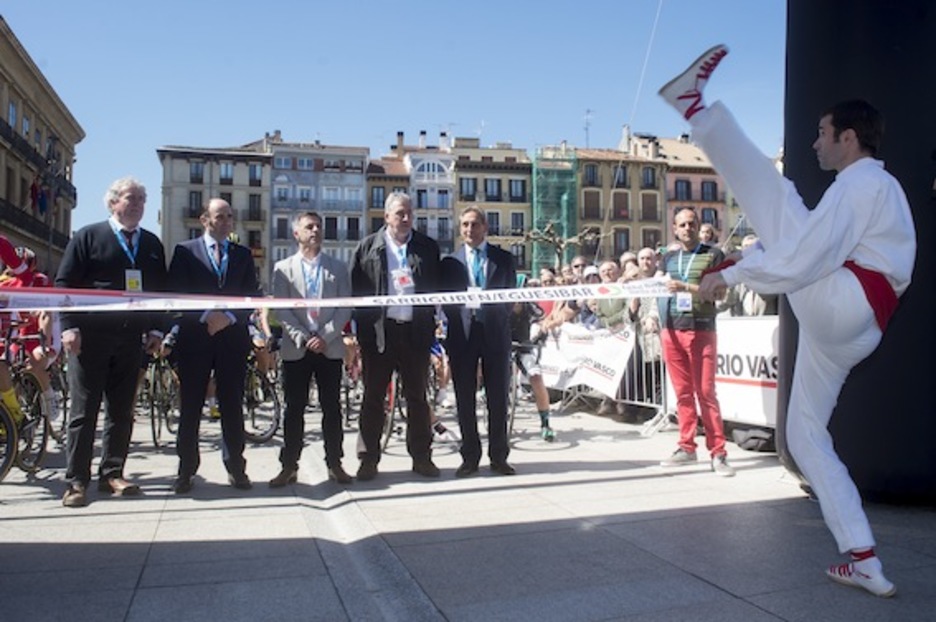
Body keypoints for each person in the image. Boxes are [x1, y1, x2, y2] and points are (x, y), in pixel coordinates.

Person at [661, 44, 915, 597]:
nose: (815, 141)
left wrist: (729, 275)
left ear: (850, 138)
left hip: (845, 301)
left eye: (823, 132)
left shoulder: (863, 182)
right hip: (853, 325)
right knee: (803, 433)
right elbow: (804, 254)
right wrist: (738, 266)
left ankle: (695, 108)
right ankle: (864, 556)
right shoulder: (874, 187)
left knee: (776, 200)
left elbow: (807, 258)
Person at [55, 177, 168, 507]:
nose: (137, 205)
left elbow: (159, 291)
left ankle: (112, 473)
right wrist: (69, 326)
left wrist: (156, 330)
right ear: (113, 202)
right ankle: (76, 482)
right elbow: (65, 284)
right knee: (83, 411)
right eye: (131, 198)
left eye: (142, 200)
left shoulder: (150, 243)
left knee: (121, 411)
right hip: (90, 338)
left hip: (131, 339)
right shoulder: (88, 236)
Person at [168, 198, 261, 493]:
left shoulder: (242, 255)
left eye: (230, 217)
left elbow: (252, 295)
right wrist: (208, 316)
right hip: (195, 338)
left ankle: (236, 468)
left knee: (232, 405)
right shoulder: (185, 252)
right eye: (220, 217)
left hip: (231, 340)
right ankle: (185, 471)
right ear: (205, 219)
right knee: (192, 406)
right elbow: (177, 293)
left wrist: (230, 317)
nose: (226, 222)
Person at [350, 192, 441, 481]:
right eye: (400, 213)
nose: (406, 218)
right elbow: (356, 295)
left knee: (417, 397)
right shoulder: (367, 248)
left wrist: (435, 325)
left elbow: (436, 289)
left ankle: (422, 457)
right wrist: (357, 335)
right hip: (379, 333)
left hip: (415, 332)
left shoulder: (427, 247)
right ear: (386, 216)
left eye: (409, 213)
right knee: (373, 397)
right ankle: (368, 459)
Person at [271, 211, 352, 487]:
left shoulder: (338, 268)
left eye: (318, 226)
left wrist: (326, 336)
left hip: (329, 348)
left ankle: (335, 463)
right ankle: (289, 465)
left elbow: (344, 308)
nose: (315, 230)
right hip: (297, 348)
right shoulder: (282, 269)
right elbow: (282, 311)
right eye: (309, 226)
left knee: (332, 408)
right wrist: (305, 338)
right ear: (297, 233)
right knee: (294, 408)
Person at [655, 207, 735, 477]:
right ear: (674, 229)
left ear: (698, 226)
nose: (687, 228)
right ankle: (686, 447)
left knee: (706, 393)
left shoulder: (713, 254)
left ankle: (719, 453)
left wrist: (685, 287)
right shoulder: (667, 258)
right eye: (682, 224)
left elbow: (721, 294)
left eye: (691, 223)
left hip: (701, 329)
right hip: (671, 330)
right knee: (682, 394)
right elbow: (659, 289)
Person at [441, 206, 517, 477]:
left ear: (485, 227)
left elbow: (509, 299)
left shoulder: (504, 259)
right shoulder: (449, 262)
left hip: (495, 333)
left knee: (498, 397)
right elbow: (445, 300)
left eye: (474, 224)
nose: (469, 230)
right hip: (463, 335)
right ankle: (470, 456)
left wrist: (493, 314)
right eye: (464, 225)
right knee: (464, 398)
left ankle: (498, 456)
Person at [716, 235, 778, 316]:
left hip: (765, 323)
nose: (748, 250)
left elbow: (768, 296)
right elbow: (723, 305)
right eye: (745, 247)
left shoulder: (769, 271)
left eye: (751, 247)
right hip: (741, 323)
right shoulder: (737, 273)